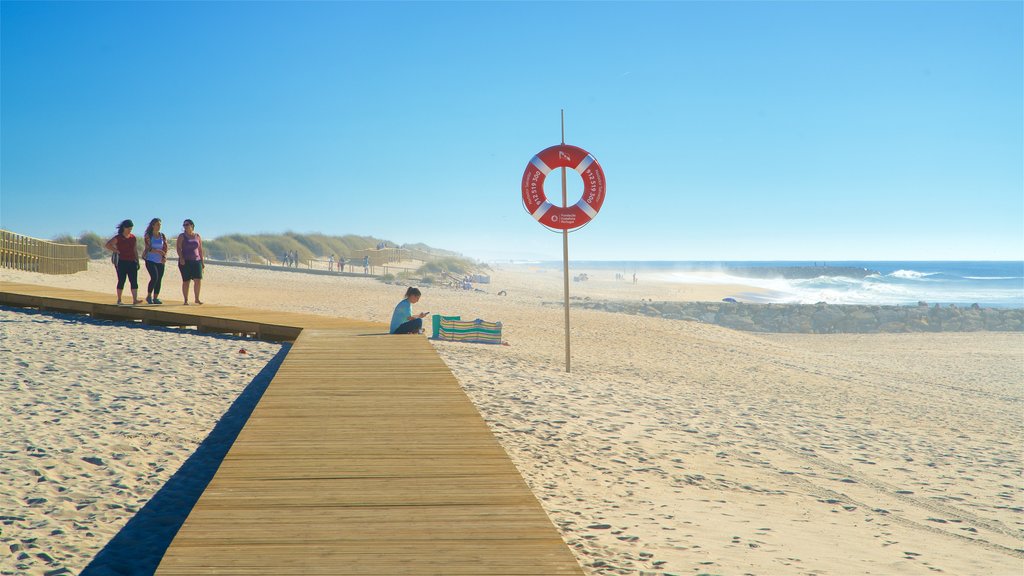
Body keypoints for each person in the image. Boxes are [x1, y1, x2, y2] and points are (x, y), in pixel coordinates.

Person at [104, 219, 142, 305]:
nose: (130, 230)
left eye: (131, 229)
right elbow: (107, 245)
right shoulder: (119, 237)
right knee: (121, 280)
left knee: (134, 281)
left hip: (132, 261)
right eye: (129, 228)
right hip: (121, 262)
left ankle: (135, 299)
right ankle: (119, 299)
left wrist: (138, 261)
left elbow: (135, 250)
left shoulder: (133, 237)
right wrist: (116, 250)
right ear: (124, 228)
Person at [177, 219, 205, 305]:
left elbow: (200, 250)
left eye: (187, 224)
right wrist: (181, 258)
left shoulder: (197, 236)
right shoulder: (182, 236)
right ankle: (186, 300)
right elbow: (178, 248)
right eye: (184, 225)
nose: (185, 226)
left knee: (198, 280)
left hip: (196, 260)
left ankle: (197, 299)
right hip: (185, 261)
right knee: (186, 281)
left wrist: (202, 262)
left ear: (192, 225)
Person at [142, 218, 168, 304]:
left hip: (160, 260)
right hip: (150, 259)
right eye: (157, 224)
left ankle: (155, 298)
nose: (159, 226)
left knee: (159, 279)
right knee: (154, 277)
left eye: (160, 225)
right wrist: (157, 251)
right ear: (153, 225)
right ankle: (149, 296)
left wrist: (164, 256)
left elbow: (165, 247)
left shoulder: (162, 235)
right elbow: (148, 248)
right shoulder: (148, 235)